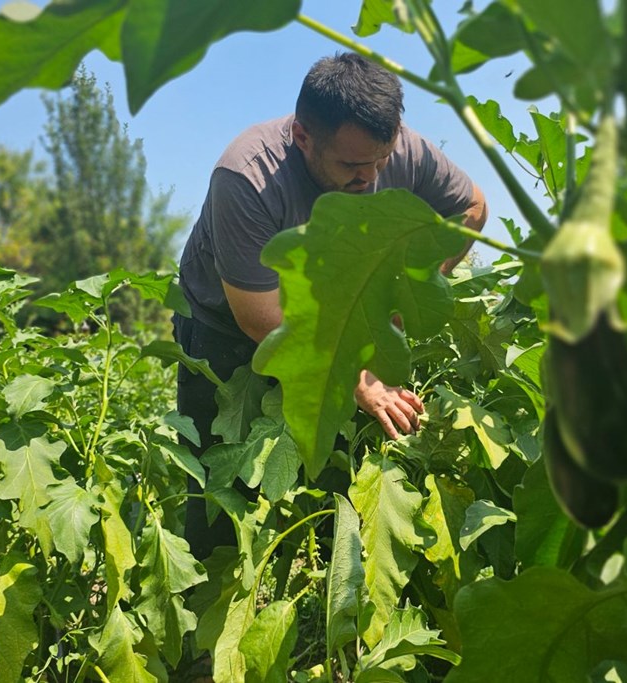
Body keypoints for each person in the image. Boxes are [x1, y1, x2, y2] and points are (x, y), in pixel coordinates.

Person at [172, 52, 488, 559]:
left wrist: (413, 289)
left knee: (333, 480)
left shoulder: (402, 151)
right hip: (227, 328)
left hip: (335, 316)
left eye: (381, 160)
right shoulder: (246, 176)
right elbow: (261, 319)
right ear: (303, 137)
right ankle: (207, 610)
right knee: (222, 489)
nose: (371, 178)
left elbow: (471, 208)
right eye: (351, 166)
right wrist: (361, 379)